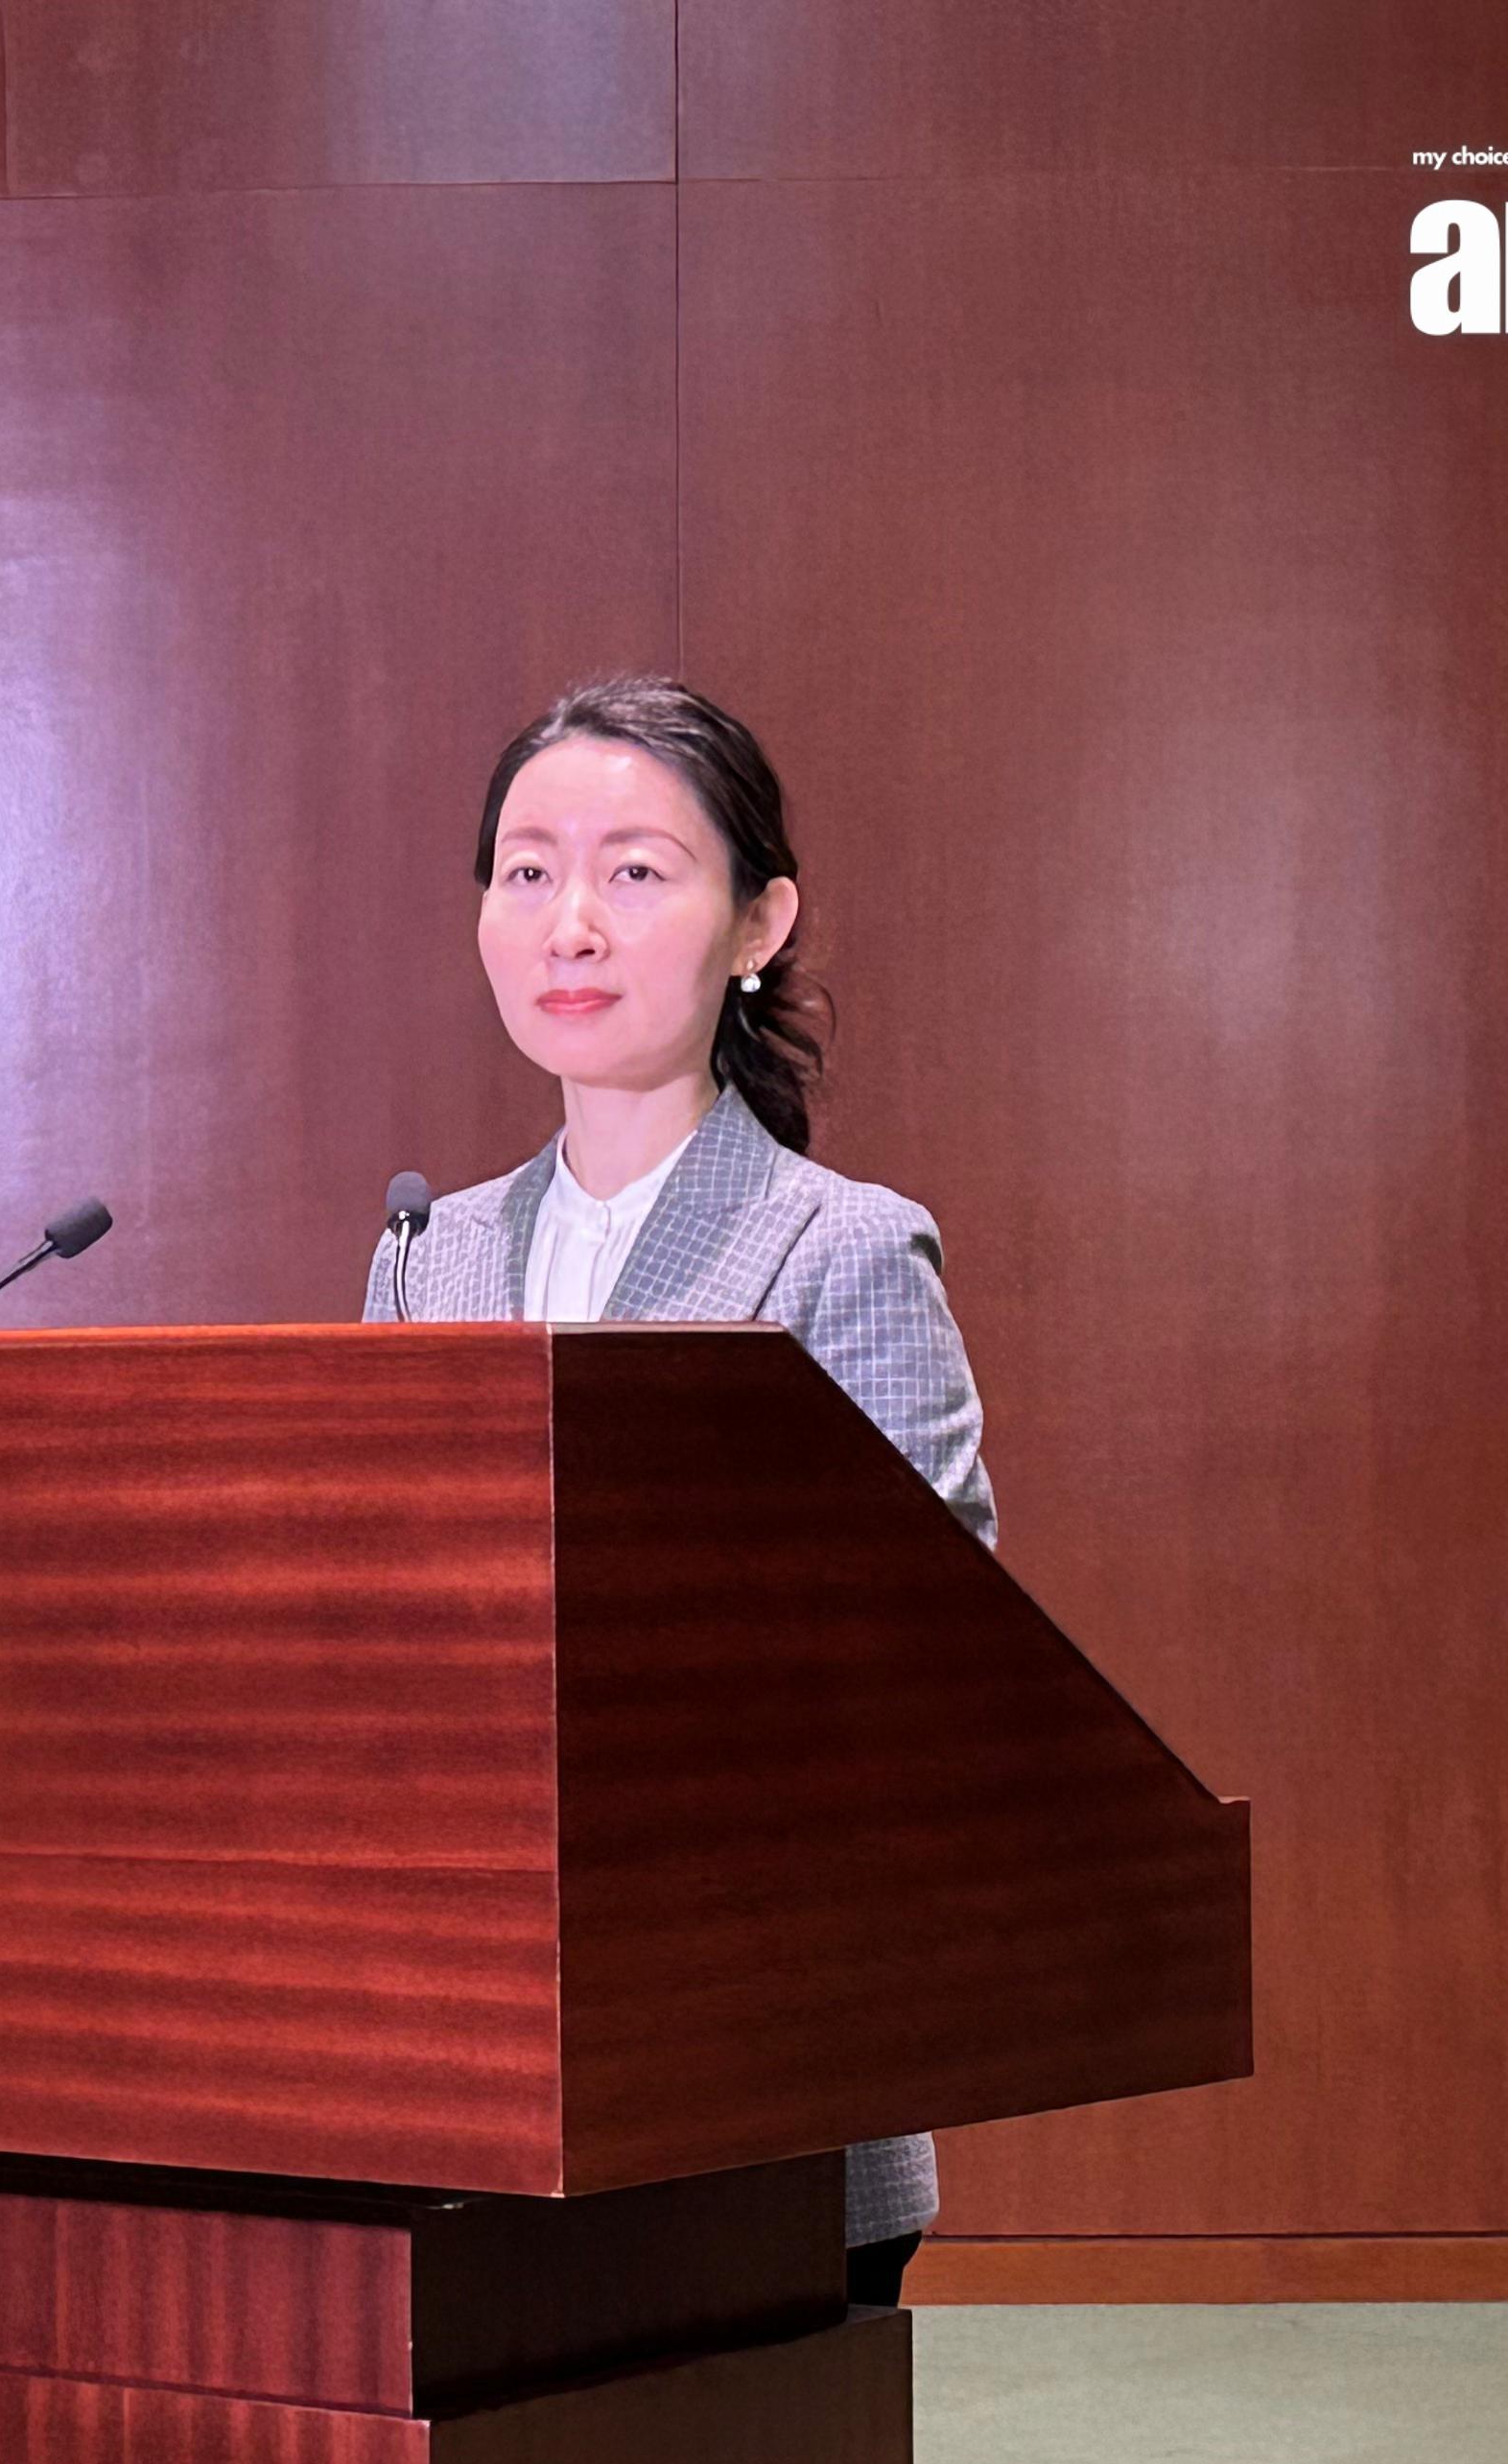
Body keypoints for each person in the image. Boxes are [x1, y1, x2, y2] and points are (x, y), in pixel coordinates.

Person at [362, 675, 994, 2311]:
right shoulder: (427, 1257)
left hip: (753, 2067)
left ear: (757, 923)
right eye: (526, 871)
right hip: (475, 2080)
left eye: (635, 872)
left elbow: (933, 1667)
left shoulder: (842, 1249)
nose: (569, 922)